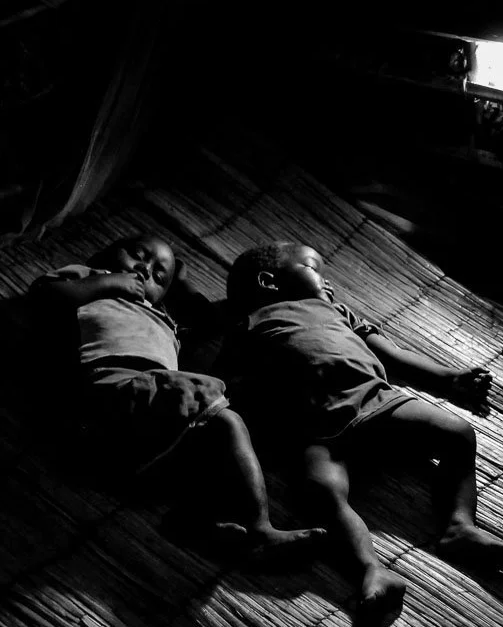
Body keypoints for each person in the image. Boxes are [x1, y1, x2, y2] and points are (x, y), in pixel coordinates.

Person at [220, 241, 503, 627]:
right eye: (315, 269)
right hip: (316, 426)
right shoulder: (252, 322)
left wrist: (450, 378)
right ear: (269, 281)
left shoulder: (337, 311)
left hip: (376, 400)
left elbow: (390, 355)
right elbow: (231, 380)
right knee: (319, 489)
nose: (329, 284)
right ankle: (370, 569)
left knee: (457, 431)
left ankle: (460, 526)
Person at [29, 234, 325, 559]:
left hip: (146, 426)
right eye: (139, 256)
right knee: (226, 421)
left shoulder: (161, 316)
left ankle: (193, 520)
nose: (145, 270)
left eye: (159, 276)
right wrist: (109, 283)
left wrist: (180, 285)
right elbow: (48, 295)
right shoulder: (88, 278)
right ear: (107, 254)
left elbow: (208, 320)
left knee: (219, 444)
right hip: (112, 390)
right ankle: (259, 529)